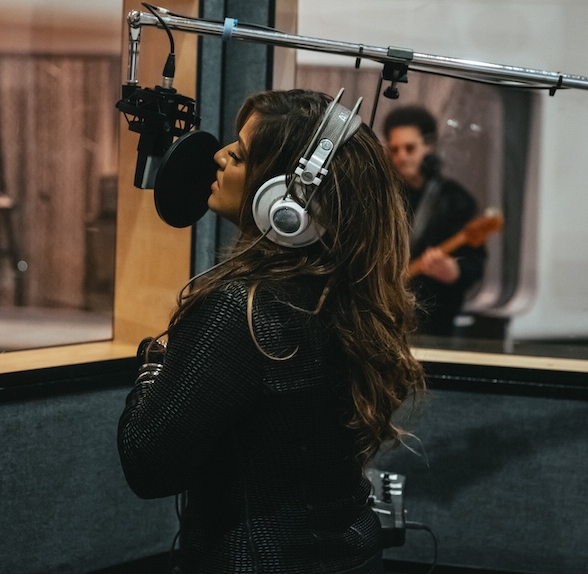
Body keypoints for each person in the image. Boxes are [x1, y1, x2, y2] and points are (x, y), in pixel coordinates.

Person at [117, 89, 425, 574]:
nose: (218, 156)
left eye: (238, 154)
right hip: (353, 558)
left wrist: (156, 362)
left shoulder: (241, 310)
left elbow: (148, 464)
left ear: (288, 201)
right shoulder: (347, 298)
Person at [382, 105, 486, 338]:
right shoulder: (382, 196)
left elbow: (476, 264)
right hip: (385, 317)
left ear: (429, 146)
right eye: (394, 149)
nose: (401, 157)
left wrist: (454, 271)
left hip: (434, 322)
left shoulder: (456, 199)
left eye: (410, 148)